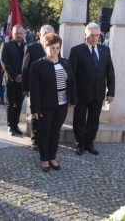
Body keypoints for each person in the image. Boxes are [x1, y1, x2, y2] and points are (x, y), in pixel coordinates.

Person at [30, 33, 77, 172]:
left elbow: (72, 81)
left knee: (55, 132)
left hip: (62, 104)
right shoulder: (37, 65)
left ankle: (52, 157)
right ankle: (44, 159)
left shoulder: (65, 62)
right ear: (45, 47)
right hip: (46, 105)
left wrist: (73, 99)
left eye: (57, 48)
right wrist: (35, 109)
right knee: (45, 132)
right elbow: (35, 89)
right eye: (52, 48)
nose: (55, 50)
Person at [69, 23, 115, 156]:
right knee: (79, 120)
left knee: (94, 120)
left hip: (98, 93)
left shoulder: (105, 50)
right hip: (81, 93)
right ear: (85, 35)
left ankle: (89, 143)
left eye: (97, 35)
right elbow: (71, 75)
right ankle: (80, 144)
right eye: (91, 36)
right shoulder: (76, 50)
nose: (94, 38)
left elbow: (110, 72)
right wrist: (72, 95)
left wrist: (111, 92)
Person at [22, 24, 55, 150]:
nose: (47, 34)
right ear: (39, 35)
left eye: (50, 32)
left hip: (50, 89)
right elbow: (25, 69)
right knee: (35, 113)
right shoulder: (31, 48)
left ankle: (45, 138)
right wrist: (25, 88)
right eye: (45, 32)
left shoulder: (55, 47)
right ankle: (35, 139)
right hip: (36, 88)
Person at [0, 24, 26, 135]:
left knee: (19, 104)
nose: (19, 35)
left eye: (21, 33)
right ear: (12, 34)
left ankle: (16, 125)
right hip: (10, 80)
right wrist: (15, 76)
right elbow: (4, 62)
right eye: (17, 33)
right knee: (10, 104)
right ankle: (10, 126)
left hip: (23, 80)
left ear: (23, 34)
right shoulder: (6, 45)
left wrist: (23, 76)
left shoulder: (27, 46)